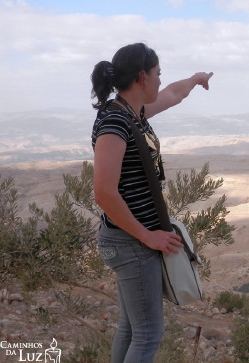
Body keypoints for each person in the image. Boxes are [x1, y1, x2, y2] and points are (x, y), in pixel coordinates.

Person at [90, 42, 213, 363]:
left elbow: (173, 94)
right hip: (131, 242)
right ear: (142, 76)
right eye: (157, 74)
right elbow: (103, 192)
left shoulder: (133, 112)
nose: (160, 80)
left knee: (132, 329)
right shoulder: (114, 123)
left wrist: (196, 78)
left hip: (132, 239)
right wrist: (147, 235)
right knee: (148, 335)